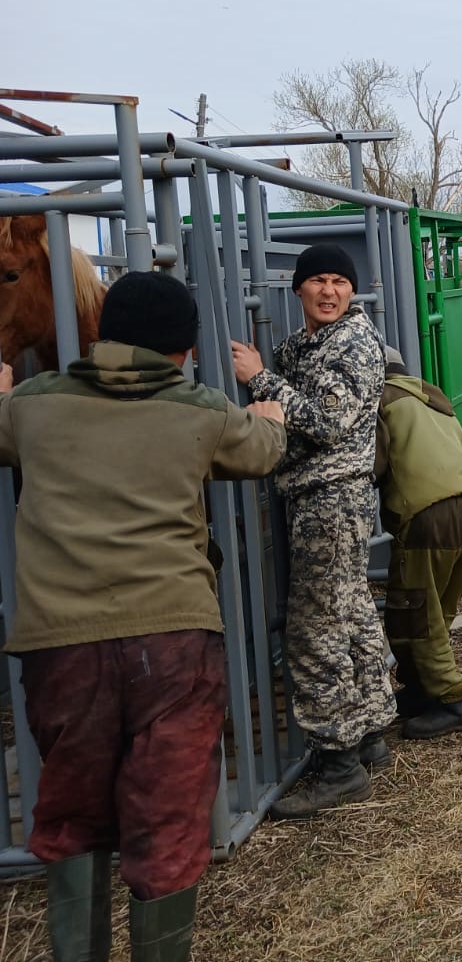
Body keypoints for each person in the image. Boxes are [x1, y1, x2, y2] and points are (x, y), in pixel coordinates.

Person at [0, 270, 286, 962]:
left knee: (70, 814)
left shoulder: (33, 408)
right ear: (185, 353)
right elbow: (264, 450)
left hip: (61, 646)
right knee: (168, 814)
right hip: (175, 641)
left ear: (100, 335)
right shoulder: (202, 411)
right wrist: (270, 410)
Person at [229, 243, 395, 819]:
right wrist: (272, 371)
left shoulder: (353, 342)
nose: (329, 291)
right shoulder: (306, 345)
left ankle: (338, 763)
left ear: (353, 291)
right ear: (297, 289)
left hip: (331, 498)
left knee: (312, 630)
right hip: (320, 497)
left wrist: (259, 381)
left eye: (339, 282)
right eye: (317, 281)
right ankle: (370, 735)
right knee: (349, 612)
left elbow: (329, 421)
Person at [375, 346, 462, 738]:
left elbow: (371, 465)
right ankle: (425, 689)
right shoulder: (433, 399)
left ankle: (457, 700)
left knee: (416, 615)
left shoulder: (380, 401)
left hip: (428, 516)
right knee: (437, 610)